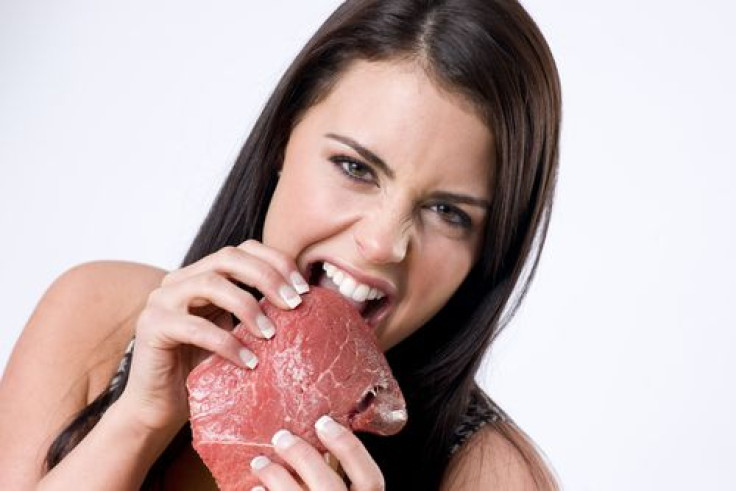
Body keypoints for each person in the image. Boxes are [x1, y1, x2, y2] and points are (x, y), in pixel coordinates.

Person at [0, 0, 561, 488]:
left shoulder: (491, 474)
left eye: (447, 211)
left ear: (487, 252)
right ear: (281, 143)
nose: (381, 243)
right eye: (354, 167)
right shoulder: (95, 315)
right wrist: (137, 423)